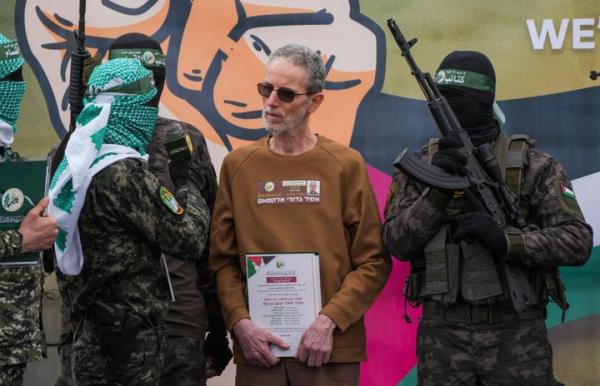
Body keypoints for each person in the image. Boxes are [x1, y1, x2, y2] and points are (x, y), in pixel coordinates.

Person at [382, 51, 593, 385]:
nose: (447, 107)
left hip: (516, 333)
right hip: (443, 337)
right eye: (441, 98)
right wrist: (435, 194)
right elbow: (397, 242)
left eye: (457, 99)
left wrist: (509, 241)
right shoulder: (423, 166)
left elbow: (577, 241)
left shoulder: (534, 166)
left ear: (485, 101)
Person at [209, 44, 391, 386]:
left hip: (328, 350)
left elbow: (373, 261)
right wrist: (240, 323)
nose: (271, 101)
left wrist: (329, 321)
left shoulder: (345, 165)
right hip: (260, 353)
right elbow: (222, 260)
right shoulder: (238, 166)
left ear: (315, 102)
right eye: (266, 89)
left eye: (286, 94)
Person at [48, 58, 211, 386]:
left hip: (90, 331)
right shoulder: (123, 172)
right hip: (126, 340)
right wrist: (188, 184)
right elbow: (189, 239)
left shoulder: (76, 160)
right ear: (136, 108)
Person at [108, 32, 232, 385]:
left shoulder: (184, 139)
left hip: (178, 327)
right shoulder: (79, 145)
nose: (149, 88)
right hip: (106, 328)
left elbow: (209, 240)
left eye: (155, 77)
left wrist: (218, 328)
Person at [0, 33, 58, 386]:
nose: (16, 90)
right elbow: (20, 239)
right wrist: (20, 239)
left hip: (11, 343)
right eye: (8, 80)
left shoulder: (12, 162)